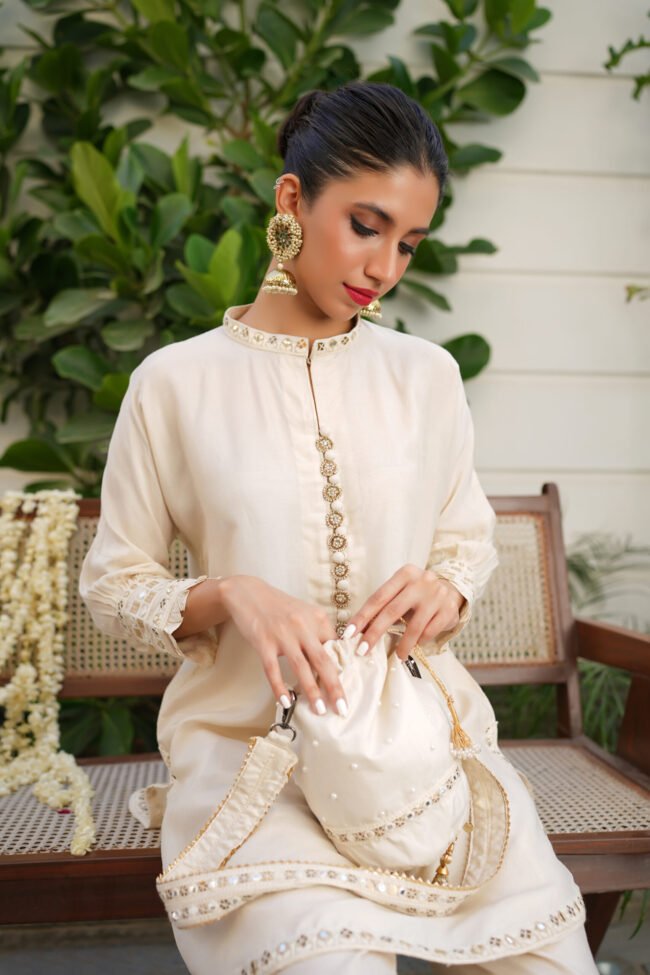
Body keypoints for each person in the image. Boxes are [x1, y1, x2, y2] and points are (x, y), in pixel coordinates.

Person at [79, 81, 599, 974]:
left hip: (421, 756)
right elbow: (113, 583)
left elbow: (465, 538)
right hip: (255, 762)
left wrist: (446, 587)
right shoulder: (173, 384)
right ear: (292, 200)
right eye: (366, 225)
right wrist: (231, 594)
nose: (385, 265)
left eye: (409, 242)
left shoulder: (426, 376)